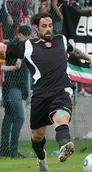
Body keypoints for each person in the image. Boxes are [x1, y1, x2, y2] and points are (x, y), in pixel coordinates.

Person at [0, 12, 92, 172]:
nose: (48, 29)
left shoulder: (61, 40)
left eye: (50, 26)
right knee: (37, 137)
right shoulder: (28, 45)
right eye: (44, 26)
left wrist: (90, 59)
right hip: (40, 95)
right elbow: (5, 51)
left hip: (61, 90)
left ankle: (65, 144)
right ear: (36, 28)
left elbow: (74, 51)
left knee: (61, 116)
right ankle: (41, 158)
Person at [0, 25, 31, 158]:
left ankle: (4, 149)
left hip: (10, 86)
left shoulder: (14, 45)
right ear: (28, 35)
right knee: (19, 117)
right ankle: (13, 150)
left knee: (9, 117)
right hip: (14, 87)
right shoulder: (19, 44)